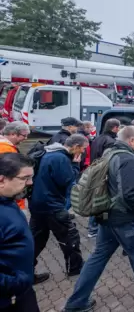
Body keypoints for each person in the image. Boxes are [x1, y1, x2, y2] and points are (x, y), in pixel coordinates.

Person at [63, 127, 134, 312]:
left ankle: (76, 301)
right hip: (125, 218)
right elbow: (128, 193)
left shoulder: (109, 153)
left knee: (97, 257)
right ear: (131, 140)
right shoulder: (127, 158)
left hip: (107, 216)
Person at [29, 134, 89, 284]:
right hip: (52, 205)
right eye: (82, 149)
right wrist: (75, 166)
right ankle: (75, 267)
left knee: (36, 240)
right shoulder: (61, 159)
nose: (82, 152)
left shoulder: (47, 153)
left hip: (37, 204)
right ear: (75, 147)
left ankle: (26, 271)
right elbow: (67, 182)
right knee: (69, 236)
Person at [0, 153, 40, 312]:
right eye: (25, 178)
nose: (30, 183)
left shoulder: (7, 201)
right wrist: (15, 283)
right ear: (2, 179)